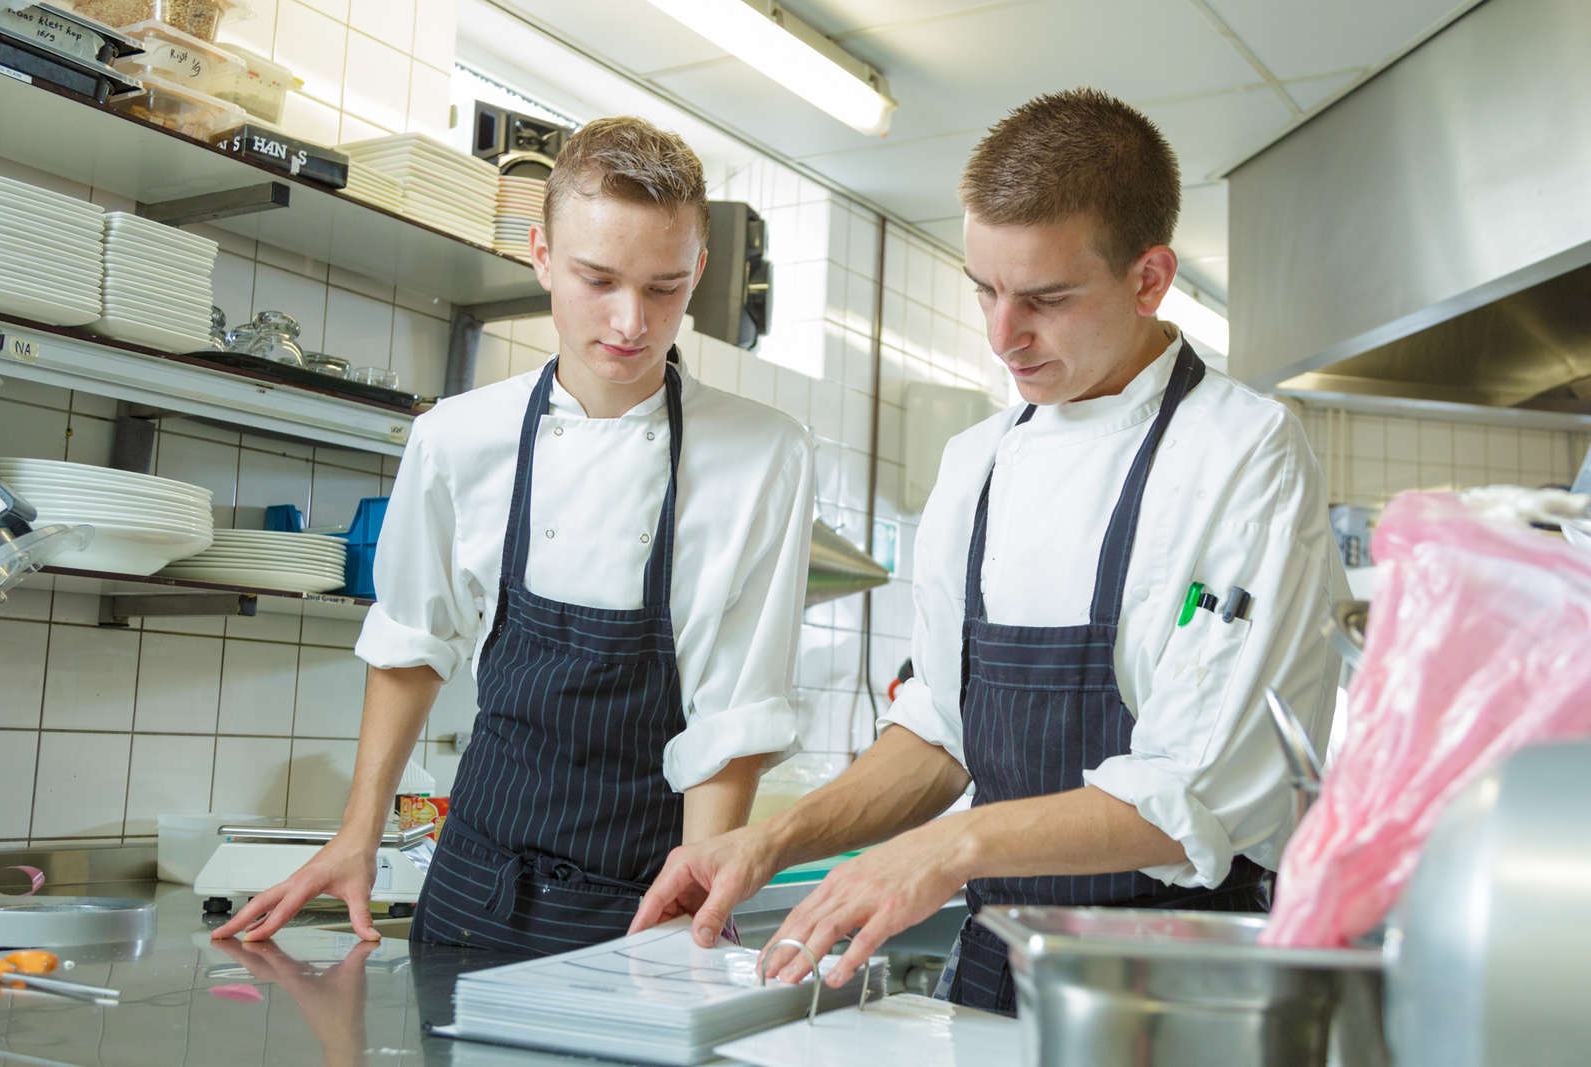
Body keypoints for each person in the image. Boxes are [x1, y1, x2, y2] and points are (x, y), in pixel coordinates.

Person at [629, 89, 1345, 1015]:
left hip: (1179, 988)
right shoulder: (979, 463)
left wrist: (946, 847)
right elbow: (939, 731)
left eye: (1045, 298)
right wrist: (770, 839)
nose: (1003, 335)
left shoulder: (1245, 455)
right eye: (985, 288)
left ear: (1149, 278)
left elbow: (1190, 793)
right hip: (996, 971)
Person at [213, 116, 816, 956]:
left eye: (665, 287)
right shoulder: (458, 436)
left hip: (650, 899)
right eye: (596, 278)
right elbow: (412, 643)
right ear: (540, 254)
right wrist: (357, 834)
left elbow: (734, 709)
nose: (630, 320)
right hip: (473, 884)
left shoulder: (763, 453)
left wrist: (698, 894)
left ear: (699, 271)